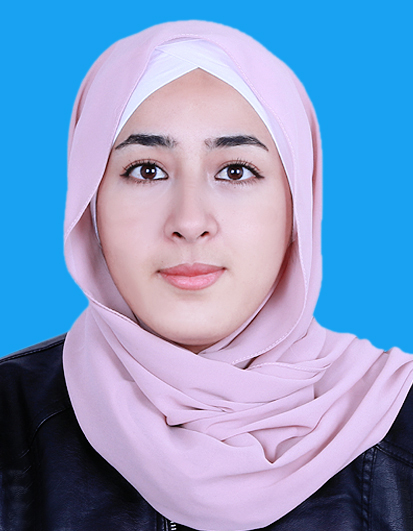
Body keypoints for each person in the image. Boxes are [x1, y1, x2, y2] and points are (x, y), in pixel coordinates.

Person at [1, 20, 412, 531]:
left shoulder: (399, 420)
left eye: (235, 171)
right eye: (146, 170)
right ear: (90, 206)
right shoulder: (10, 417)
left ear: (297, 208)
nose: (190, 221)